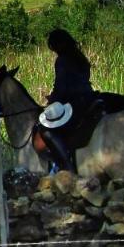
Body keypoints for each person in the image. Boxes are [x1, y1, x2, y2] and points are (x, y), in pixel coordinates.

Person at [37, 29, 95, 172]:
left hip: (74, 103)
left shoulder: (62, 60)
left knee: (45, 129)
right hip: (89, 98)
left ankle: (66, 165)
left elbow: (61, 86)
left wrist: (52, 100)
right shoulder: (80, 58)